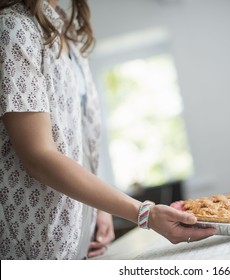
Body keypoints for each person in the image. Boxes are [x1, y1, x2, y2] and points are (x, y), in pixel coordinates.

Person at [0, 0, 217, 260]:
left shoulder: (69, 32)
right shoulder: (14, 27)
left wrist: (99, 209)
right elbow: (39, 157)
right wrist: (144, 213)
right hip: (37, 246)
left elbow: (80, 143)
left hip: (82, 240)